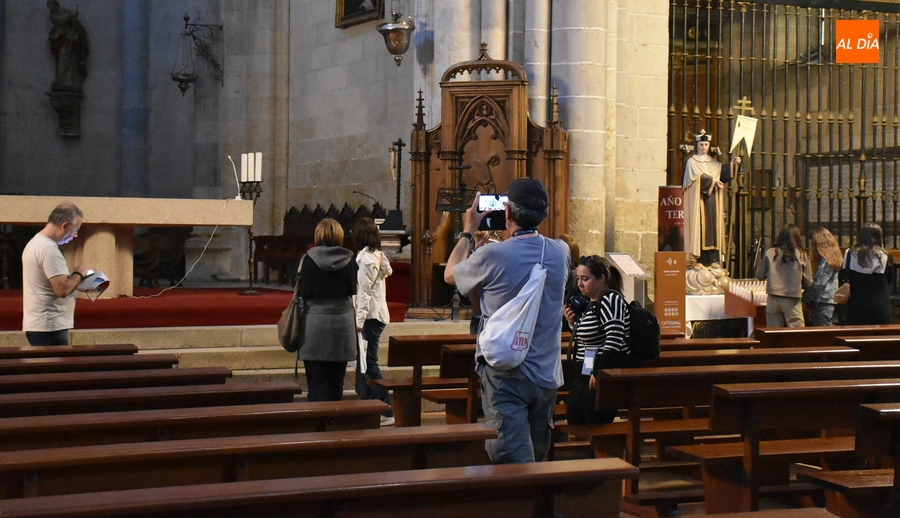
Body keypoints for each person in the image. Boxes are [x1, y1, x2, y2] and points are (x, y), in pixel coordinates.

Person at [445, 177, 570, 463]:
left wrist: (468, 232)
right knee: (537, 457)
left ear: (508, 213)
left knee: (512, 462)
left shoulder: (494, 254)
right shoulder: (560, 252)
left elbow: (451, 274)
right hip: (546, 374)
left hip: (506, 373)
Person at [563, 255, 636, 425]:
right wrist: (572, 323)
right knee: (575, 416)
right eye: (579, 279)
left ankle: (601, 451)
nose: (580, 284)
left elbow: (614, 338)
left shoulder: (610, 300)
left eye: (585, 279)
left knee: (594, 420)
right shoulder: (591, 302)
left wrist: (599, 372)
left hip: (600, 373)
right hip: (586, 370)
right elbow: (589, 337)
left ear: (601, 278)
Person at [297, 218, 358, 402]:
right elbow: (353, 288)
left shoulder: (308, 259)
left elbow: (301, 290)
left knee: (316, 381)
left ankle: (317, 425)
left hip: (314, 324)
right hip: (342, 324)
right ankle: (333, 424)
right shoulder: (350, 260)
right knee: (336, 381)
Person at [21, 203, 90, 346]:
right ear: (64, 225)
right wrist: (79, 273)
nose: (75, 235)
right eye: (75, 229)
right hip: (49, 326)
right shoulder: (48, 249)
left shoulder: (36, 242)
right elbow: (62, 290)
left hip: (42, 325)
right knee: (56, 368)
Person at [352, 217, 394, 424]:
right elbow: (388, 271)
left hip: (370, 317)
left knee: (370, 364)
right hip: (375, 316)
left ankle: (386, 409)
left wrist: (359, 321)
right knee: (363, 364)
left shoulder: (366, 260)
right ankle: (367, 405)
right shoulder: (376, 255)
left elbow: (364, 293)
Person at [682, 131, 740, 266]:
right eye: (701, 144)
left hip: (713, 202)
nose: (704, 147)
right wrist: (713, 182)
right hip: (700, 202)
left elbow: (722, 173)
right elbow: (695, 181)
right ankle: (700, 258)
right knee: (701, 229)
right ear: (697, 145)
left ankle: (713, 258)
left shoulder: (713, 162)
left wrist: (733, 164)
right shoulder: (691, 162)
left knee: (713, 228)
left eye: (706, 144)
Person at [756, 224, 812, 328]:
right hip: (792, 298)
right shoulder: (802, 255)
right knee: (796, 334)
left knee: (774, 333)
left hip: (773, 298)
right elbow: (808, 282)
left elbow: (759, 275)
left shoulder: (770, 253)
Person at [840, 223, 895, 325]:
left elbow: (842, 275)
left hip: (855, 304)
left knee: (855, 336)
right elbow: (889, 280)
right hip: (880, 305)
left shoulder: (850, 253)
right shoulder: (886, 256)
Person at [802, 228, 842, 326]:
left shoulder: (825, 261)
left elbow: (818, 284)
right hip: (826, 301)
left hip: (822, 302)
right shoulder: (831, 259)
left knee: (823, 334)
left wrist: (804, 297)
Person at [47, 0, 88, 92]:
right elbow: (60, 20)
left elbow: (76, 24)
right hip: (59, 40)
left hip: (68, 40)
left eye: (51, 5)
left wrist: (76, 34)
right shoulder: (53, 15)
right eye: (48, 5)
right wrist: (72, 15)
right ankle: (61, 80)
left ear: (55, 5)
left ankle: (70, 81)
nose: (49, 7)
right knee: (62, 60)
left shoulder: (65, 11)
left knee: (70, 60)